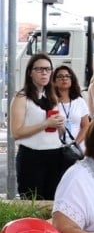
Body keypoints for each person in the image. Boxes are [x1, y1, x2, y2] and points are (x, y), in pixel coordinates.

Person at [11, 53, 68, 199]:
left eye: (48, 69)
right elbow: (16, 132)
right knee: (32, 201)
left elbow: (59, 133)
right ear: (30, 72)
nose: (44, 73)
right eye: (39, 69)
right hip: (32, 156)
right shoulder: (21, 97)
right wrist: (45, 124)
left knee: (54, 201)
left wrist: (60, 125)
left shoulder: (51, 96)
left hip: (55, 154)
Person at [53, 64, 90, 151]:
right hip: (56, 147)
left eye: (67, 76)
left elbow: (86, 126)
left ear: (72, 80)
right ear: (54, 81)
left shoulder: (79, 101)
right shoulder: (51, 102)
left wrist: (75, 144)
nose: (64, 79)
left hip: (77, 148)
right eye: (60, 76)